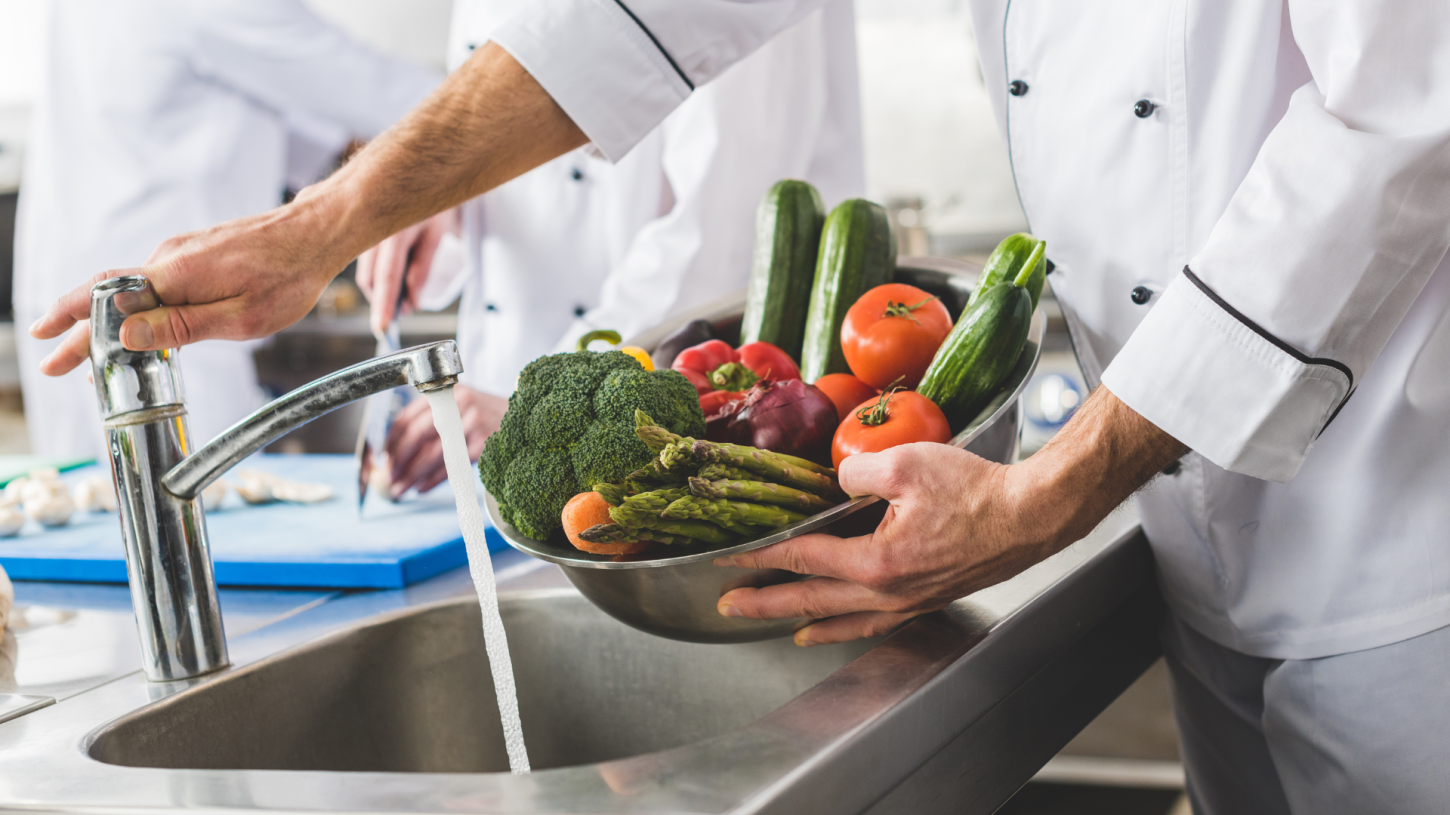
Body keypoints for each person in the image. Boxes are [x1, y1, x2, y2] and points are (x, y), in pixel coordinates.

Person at [29, 2, 1450, 811]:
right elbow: (648, 16)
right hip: (1205, 534)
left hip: (1408, 533)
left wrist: (1059, 481)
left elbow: (1399, 118)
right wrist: (326, 220)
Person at [354, 0, 863, 498]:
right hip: (493, 409)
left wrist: (543, 408)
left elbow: (718, 238)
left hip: (694, 411)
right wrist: (443, 194)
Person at [13, 0, 439, 457]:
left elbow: (283, 125)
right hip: (169, 329)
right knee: (194, 506)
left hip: (71, 304)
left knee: (99, 508)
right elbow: (426, 106)